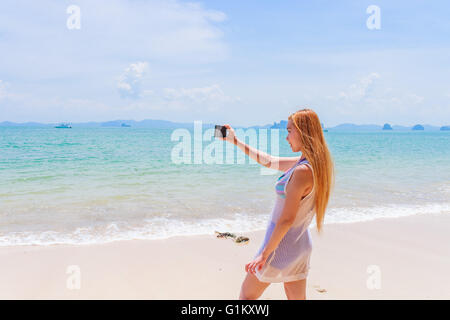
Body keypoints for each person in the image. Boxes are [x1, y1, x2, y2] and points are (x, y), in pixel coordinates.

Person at [218, 108, 334, 300]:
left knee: (247, 297)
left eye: (289, 131)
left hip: (280, 246)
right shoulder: (311, 166)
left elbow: (286, 219)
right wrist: (235, 141)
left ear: (303, 132)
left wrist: (264, 253)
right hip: (299, 245)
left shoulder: (302, 171)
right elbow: (269, 161)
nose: (287, 137)